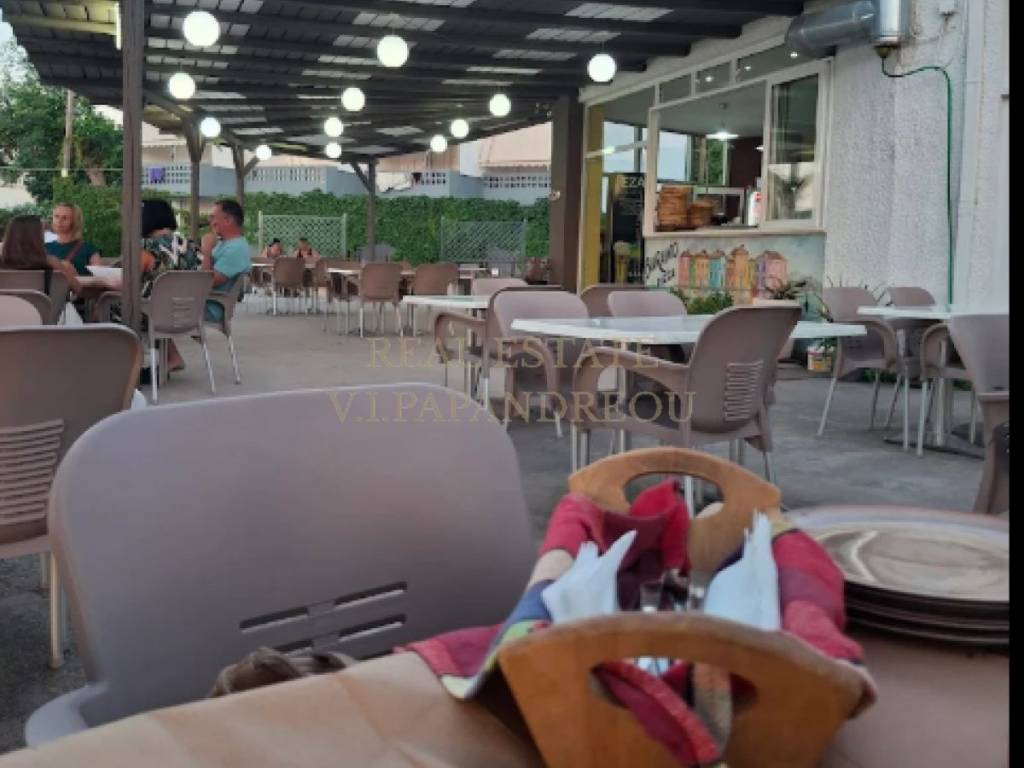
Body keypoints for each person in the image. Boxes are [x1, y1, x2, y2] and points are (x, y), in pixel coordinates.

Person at [139, 199, 201, 372]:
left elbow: (129, 280)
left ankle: (125, 364)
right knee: (159, 302)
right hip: (187, 313)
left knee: (108, 305)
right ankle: (173, 357)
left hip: (156, 314)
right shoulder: (190, 246)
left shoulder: (145, 247)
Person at [0, 214, 82, 294]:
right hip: (46, 303)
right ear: (37, 237)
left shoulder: (2, 263)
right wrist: (68, 271)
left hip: (6, 303)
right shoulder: (52, 262)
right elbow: (78, 289)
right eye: (42, 233)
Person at [199, 199, 252, 323]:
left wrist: (207, 251)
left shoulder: (236, 248)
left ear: (228, 220)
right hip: (199, 302)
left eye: (213, 217)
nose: (210, 221)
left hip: (209, 307)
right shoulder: (225, 244)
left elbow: (207, 282)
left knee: (157, 306)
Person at [45, 202, 102, 276]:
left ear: (75, 222)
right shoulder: (44, 248)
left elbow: (99, 278)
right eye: (56, 216)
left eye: (65, 218)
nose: (59, 221)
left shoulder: (89, 250)